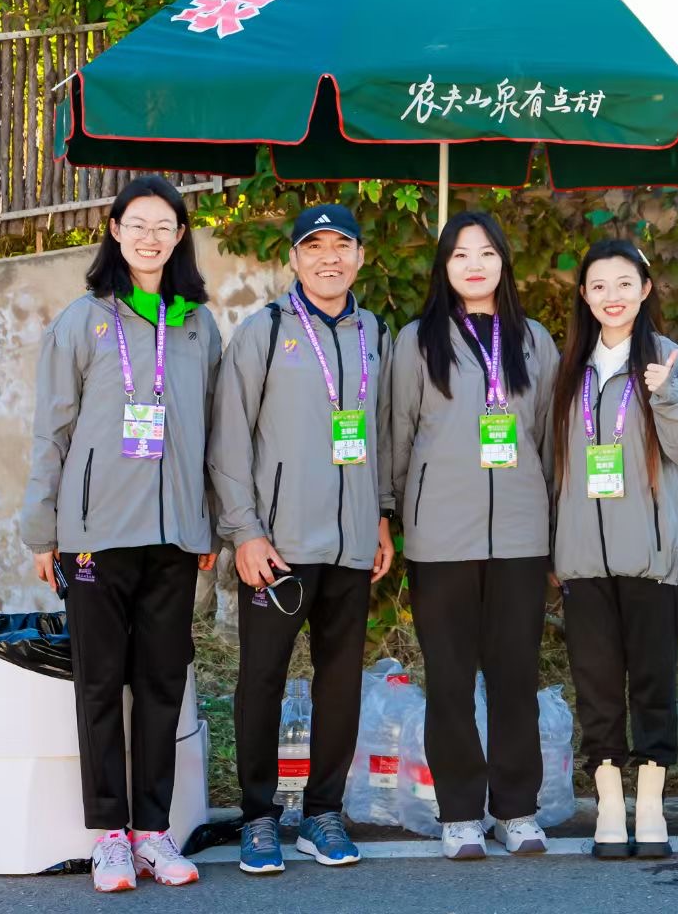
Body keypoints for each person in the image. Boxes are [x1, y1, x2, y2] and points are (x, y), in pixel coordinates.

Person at [19, 175, 222, 893]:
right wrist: (41, 529)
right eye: (137, 223)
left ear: (180, 235)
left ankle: (153, 832)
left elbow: (216, 435)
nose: (150, 237)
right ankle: (110, 835)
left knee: (162, 683)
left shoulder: (197, 325)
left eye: (164, 225)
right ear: (114, 229)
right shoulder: (82, 321)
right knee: (101, 683)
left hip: (174, 537)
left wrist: (212, 521)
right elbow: (52, 430)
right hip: (93, 535)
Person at [209, 204, 395, 875]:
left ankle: (323, 813)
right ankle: (259, 817)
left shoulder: (375, 333)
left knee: (339, 683)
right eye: (313, 246)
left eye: (341, 245)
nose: (328, 258)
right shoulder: (264, 332)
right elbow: (229, 439)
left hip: (351, 544)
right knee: (261, 679)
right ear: (293, 259)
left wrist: (380, 514)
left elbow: (380, 433)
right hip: (278, 547)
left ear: (360, 257)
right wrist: (244, 532)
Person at [385, 211, 560, 860]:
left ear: (503, 262)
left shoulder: (534, 340)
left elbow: (551, 438)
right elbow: (398, 433)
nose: (474, 265)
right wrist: (392, 509)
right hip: (440, 536)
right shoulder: (417, 341)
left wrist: (553, 525)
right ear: (445, 267)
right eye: (460, 254)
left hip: (520, 535)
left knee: (515, 677)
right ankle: (460, 813)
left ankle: (516, 809)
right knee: (450, 679)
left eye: (486, 252)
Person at [549, 238, 678, 861]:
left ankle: (651, 805)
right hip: (583, 557)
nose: (611, 296)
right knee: (594, 684)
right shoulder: (569, 368)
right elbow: (552, 464)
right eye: (598, 286)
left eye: (623, 284)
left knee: (652, 682)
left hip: (650, 554)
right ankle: (610, 806)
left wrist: (665, 394)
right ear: (584, 296)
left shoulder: (671, 360)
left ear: (645, 290)